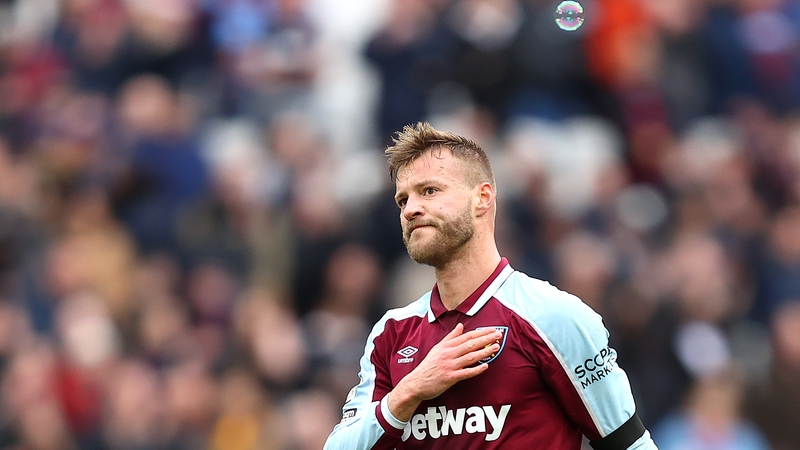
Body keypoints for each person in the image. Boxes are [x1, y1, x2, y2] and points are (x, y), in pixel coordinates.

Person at [323, 122, 658, 449]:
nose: (411, 209)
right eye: (402, 200)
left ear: (482, 198)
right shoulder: (391, 333)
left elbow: (630, 444)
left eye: (429, 191)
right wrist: (409, 391)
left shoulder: (554, 317)